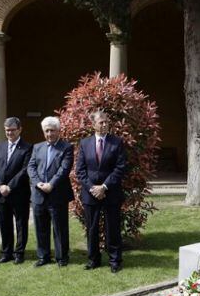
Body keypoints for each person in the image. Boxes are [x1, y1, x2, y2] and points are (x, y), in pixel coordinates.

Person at [76, 110, 127, 272]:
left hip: (110, 192)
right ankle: (94, 260)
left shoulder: (117, 142)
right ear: (93, 125)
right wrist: (92, 188)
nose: (105, 124)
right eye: (101, 122)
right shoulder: (84, 143)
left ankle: (115, 261)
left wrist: (104, 187)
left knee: (112, 228)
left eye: (106, 122)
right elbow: (80, 171)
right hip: (90, 194)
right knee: (92, 228)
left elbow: (120, 168)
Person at [27, 116, 73, 267]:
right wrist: (38, 183)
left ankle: (62, 257)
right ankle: (43, 257)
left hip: (57, 194)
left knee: (59, 228)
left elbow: (64, 169)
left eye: (52, 131)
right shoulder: (37, 147)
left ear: (58, 131)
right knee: (41, 227)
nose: (49, 134)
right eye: (46, 131)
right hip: (39, 194)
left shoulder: (66, 147)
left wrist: (51, 184)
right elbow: (31, 167)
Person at [0, 117, 31, 264]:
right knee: (4, 224)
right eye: (7, 130)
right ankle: (6, 253)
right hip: (1, 193)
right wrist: (0, 185)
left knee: (21, 224)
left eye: (13, 130)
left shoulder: (27, 147)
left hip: (19, 193)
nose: (10, 133)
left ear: (20, 129)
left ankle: (19, 253)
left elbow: (25, 170)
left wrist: (10, 186)